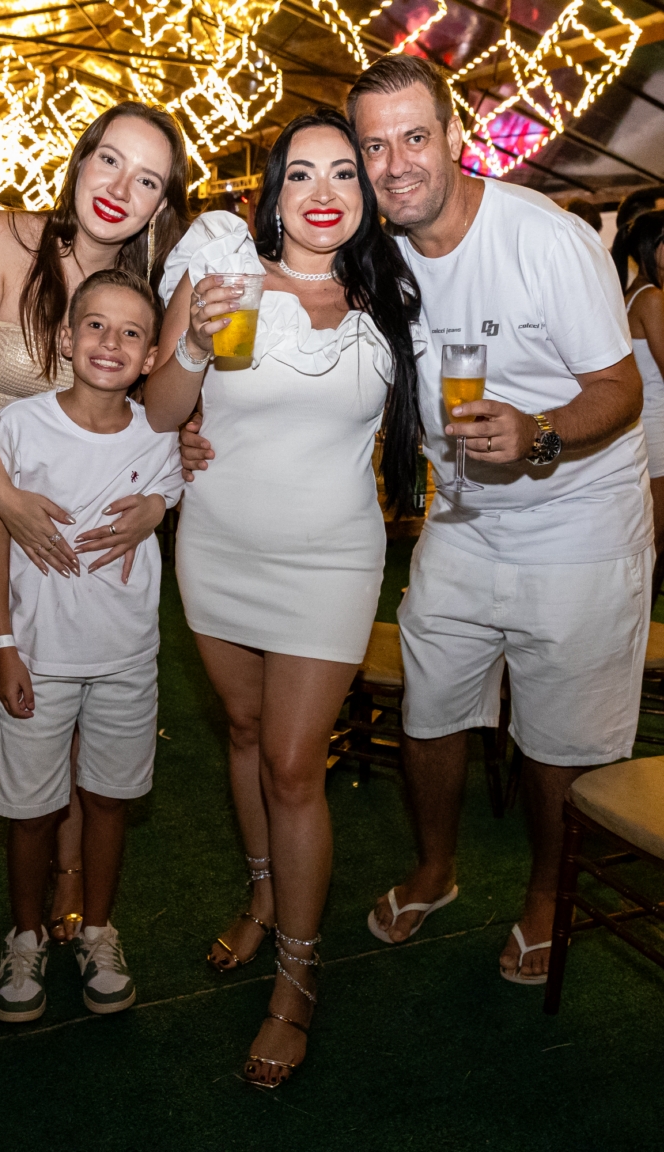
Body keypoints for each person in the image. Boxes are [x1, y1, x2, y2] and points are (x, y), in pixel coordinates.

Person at [182, 56, 652, 987]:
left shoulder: (546, 240)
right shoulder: (377, 256)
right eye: (374, 145)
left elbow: (621, 387)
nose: (394, 164)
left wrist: (540, 433)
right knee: (432, 710)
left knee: (556, 738)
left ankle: (544, 897)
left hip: (577, 520)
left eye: (414, 137)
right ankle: (435, 869)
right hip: (463, 516)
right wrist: (201, 425)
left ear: (454, 137)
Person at [146, 107, 420, 1085]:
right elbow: (164, 412)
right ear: (274, 194)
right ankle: (263, 895)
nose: (321, 193)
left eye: (343, 172)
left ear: (368, 194)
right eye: (300, 174)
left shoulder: (395, 297)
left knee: (296, 765)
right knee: (245, 730)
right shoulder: (223, 273)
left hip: (333, 559)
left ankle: (298, 977)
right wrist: (190, 350)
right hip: (220, 547)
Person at [0, 101, 190, 972]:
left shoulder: (147, 290)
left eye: (147, 180)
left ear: (161, 204)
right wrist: (6, 499)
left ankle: (70, 880)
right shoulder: (0, 239)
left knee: (79, 702)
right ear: (80, 159)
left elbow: (165, 416)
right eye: (110, 160)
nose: (120, 188)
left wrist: (165, 492)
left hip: (74, 523)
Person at [0, 268, 181, 1022]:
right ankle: (25, 937)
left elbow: (177, 488)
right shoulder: (20, 424)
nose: (110, 343)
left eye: (131, 333)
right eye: (95, 325)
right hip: (37, 656)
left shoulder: (159, 433)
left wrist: (158, 504)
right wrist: (3, 645)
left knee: (108, 800)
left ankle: (98, 931)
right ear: (66, 338)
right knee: (30, 811)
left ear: (151, 356)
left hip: (127, 658)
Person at [613, 211, 664, 598]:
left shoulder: (631, 295)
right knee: (656, 539)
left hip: (645, 427)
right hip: (658, 432)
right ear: (653, 248)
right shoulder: (652, 299)